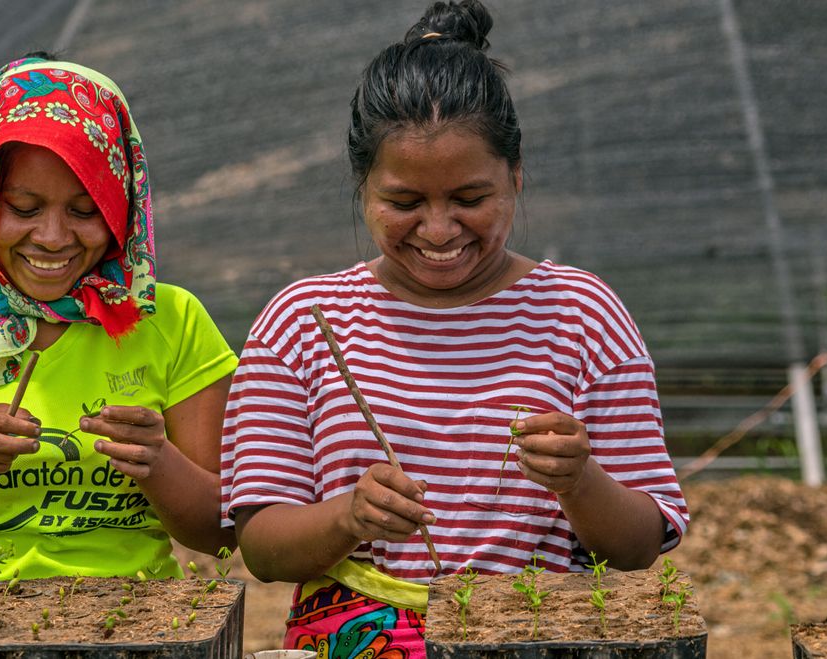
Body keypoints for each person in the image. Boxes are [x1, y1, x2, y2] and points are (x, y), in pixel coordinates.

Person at [220, 2, 689, 656]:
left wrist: (580, 481)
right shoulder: (303, 321)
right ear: (363, 189)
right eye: (405, 202)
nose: (438, 230)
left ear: (516, 178)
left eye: (470, 199)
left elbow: (640, 546)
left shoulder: (583, 314)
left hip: (539, 636)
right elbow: (262, 546)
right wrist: (348, 516)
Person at [0, 54, 237, 658]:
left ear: (123, 206)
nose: (53, 238)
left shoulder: (171, 321)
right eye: (24, 209)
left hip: (134, 645)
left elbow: (224, 534)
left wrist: (159, 462)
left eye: (86, 211)